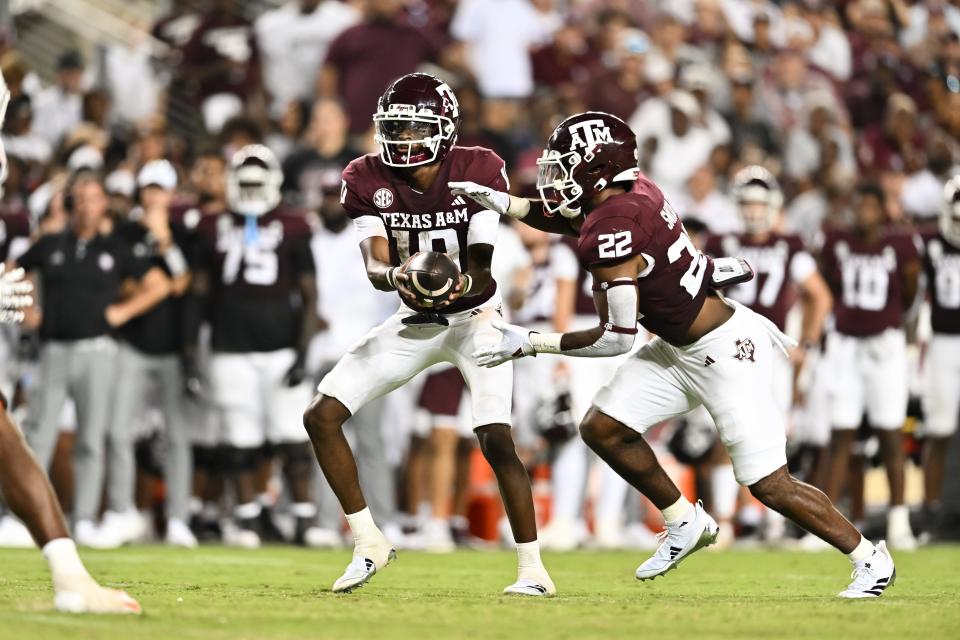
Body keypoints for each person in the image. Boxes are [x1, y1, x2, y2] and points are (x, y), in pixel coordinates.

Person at [452, 111, 896, 598]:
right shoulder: (632, 190)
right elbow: (570, 215)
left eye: (567, 167)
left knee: (769, 483)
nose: (557, 179)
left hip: (725, 351)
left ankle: (870, 559)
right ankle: (684, 521)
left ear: (597, 169)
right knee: (604, 427)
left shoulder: (613, 226)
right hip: (678, 345)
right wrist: (506, 203)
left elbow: (616, 338)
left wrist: (530, 343)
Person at [302, 73, 555, 596]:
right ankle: (368, 540)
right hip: (414, 320)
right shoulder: (364, 176)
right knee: (321, 415)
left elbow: (484, 267)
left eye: (416, 129)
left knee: (495, 435)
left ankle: (533, 569)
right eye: (395, 129)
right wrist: (400, 276)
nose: (403, 141)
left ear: (445, 130)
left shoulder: (477, 167)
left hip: (476, 317)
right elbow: (374, 264)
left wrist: (459, 281)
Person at [15, 171, 170, 548]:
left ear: (104, 204)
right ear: (71, 204)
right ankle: (29, 519)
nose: (86, 206)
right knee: (39, 436)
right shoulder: (50, 244)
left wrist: (122, 312)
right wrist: (26, 308)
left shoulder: (114, 248)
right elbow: (13, 270)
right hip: (53, 350)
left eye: (93, 198)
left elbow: (160, 284)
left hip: (97, 352)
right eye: (80, 198)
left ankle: (83, 518)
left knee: (91, 440)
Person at [187, 144, 321, 548]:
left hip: (279, 346)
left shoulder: (295, 224)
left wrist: (301, 351)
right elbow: (198, 292)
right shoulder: (210, 226)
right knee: (238, 439)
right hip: (229, 346)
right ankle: (247, 519)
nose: (247, 191)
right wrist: (191, 350)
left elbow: (310, 295)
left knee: (294, 437)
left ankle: (303, 518)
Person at [703, 165, 833, 545]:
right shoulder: (721, 241)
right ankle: (725, 519)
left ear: (773, 205)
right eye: (747, 203)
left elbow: (819, 296)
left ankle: (772, 521)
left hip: (769, 347)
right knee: (722, 431)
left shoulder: (788, 245)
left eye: (760, 203)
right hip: (726, 343)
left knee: (773, 435)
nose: (754, 211)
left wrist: (805, 345)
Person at [819, 183, 921, 551]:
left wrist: (893, 322)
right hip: (846, 344)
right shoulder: (838, 242)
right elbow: (829, 282)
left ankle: (900, 522)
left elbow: (911, 289)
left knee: (891, 433)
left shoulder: (899, 244)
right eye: (858, 205)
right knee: (840, 433)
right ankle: (826, 525)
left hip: (884, 344)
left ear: (882, 210)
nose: (863, 212)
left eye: (870, 206)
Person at [104, 160, 196, 548]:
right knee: (118, 431)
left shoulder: (182, 235)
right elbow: (118, 284)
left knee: (177, 437)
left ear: (172, 194)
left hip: (173, 348)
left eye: (161, 189)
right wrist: (158, 283)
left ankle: (178, 519)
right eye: (148, 189)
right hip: (133, 344)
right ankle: (122, 511)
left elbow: (184, 283)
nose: (154, 196)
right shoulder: (123, 233)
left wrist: (166, 245)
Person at [918, 175, 960, 540]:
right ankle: (931, 514)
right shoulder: (930, 245)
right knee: (938, 430)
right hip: (944, 342)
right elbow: (915, 299)